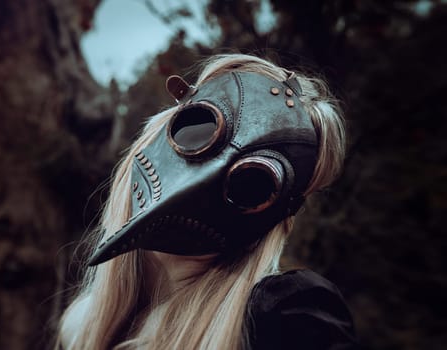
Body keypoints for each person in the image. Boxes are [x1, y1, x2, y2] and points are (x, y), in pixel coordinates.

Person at [56, 53, 360, 349]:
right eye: (196, 131)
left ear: (276, 212)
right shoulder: (79, 328)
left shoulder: (287, 320)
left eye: (251, 183)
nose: (204, 179)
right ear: (157, 133)